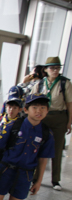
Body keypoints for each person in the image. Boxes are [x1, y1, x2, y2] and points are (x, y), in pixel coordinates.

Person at [31, 56, 72, 191]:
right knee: (37, 146)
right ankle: (35, 178)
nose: (55, 70)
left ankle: (55, 180)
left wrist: (69, 122)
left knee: (57, 148)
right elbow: (32, 101)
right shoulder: (40, 84)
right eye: (52, 68)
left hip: (59, 117)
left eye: (57, 68)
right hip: (42, 117)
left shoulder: (64, 83)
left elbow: (69, 104)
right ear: (46, 69)